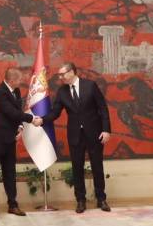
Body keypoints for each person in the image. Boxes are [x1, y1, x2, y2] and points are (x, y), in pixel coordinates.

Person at [42, 62, 111, 213]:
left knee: (97, 166)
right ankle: (80, 200)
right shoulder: (62, 91)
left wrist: (106, 130)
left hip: (94, 133)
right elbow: (55, 112)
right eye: (59, 75)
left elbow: (102, 108)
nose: (60, 77)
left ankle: (101, 199)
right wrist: (42, 120)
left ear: (72, 72)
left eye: (63, 74)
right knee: (77, 167)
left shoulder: (90, 86)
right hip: (75, 135)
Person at [0, 67, 42, 220]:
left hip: (10, 138)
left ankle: (13, 205)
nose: (21, 82)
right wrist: (31, 119)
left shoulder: (15, 91)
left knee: (10, 172)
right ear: (11, 80)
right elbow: (11, 112)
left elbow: (18, 111)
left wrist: (20, 127)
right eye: (19, 80)